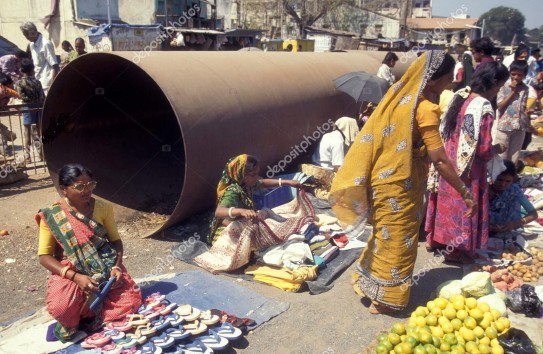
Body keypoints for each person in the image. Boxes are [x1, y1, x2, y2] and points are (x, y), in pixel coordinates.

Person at [330, 51, 477, 314]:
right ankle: (385, 300)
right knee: (399, 239)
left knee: (385, 236)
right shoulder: (425, 109)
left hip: (381, 179)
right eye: (446, 79)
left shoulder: (397, 101)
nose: (449, 85)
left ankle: (372, 285)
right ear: (433, 80)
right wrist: (464, 192)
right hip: (402, 184)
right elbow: (441, 160)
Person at [36, 164, 142, 342]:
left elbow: (115, 241)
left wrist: (116, 267)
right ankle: (81, 314)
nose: (86, 191)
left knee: (130, 300)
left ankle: (90, 316)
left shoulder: (103, 208)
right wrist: (75, 277)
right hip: (70, 268)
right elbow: (44, 257)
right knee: (61, 308)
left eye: (90, 185)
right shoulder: (53, 215)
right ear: (64, 190)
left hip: (104, 264)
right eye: (79, 186)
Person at [425, 61, 510, 263]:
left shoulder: (460, 96)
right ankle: (457, 250)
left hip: (447, 161)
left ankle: (436, 240)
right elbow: (482, 148)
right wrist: (496, 149)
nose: (498, 91)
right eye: (499, 86)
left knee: (446, 202)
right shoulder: (483, 106)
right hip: (468, 168)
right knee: (464, 206)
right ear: (494, 83)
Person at [207, 154, 302, 245]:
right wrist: (241, 211)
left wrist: (287, 182)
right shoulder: (232, 192)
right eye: (253, 175)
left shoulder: (247, 184)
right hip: (226, 231)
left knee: (268, 219)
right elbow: (219, 212)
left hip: (241, 223)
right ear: (243, 176)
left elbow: (263, 183)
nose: (257, 178)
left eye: (257, 174)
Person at [495, 60, 532, 164]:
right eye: (513, 74)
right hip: (505, 126)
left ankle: (510, 177)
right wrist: (512, 92)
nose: (516, 77)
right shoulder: (503, 86)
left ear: (524, 75)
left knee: (514, 157)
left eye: (519, 75)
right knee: (501, 156)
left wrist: (527, 115)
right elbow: (499, 105)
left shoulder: (525, 88)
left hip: (519, 127)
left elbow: (523, 106)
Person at [489, 160, 538, 239]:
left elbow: (533, 214)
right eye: (499, 180)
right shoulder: (483, 190)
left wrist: (515, 224)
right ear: (492, 176)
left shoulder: (514, 191)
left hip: (508, 231)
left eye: (508, 181)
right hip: (484, 231)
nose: (503, 184)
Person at [16, 58, 44, 163]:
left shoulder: (20, 83)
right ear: (32, 69)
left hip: (27, 107)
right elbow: (42, 95)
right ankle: (42, 154)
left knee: (26, 132)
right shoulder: (37, 82)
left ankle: (27, 156)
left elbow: (21, 96)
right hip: (38, 107)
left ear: (22, 70)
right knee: (39, 131)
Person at [20, 22, 59, 95]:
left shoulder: (46, 44)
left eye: (26, 35)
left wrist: (52, 85)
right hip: (38, 82)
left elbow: (55, 66)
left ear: (32, 32)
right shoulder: (31, 45)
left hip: (47, 84)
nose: (26, 37)